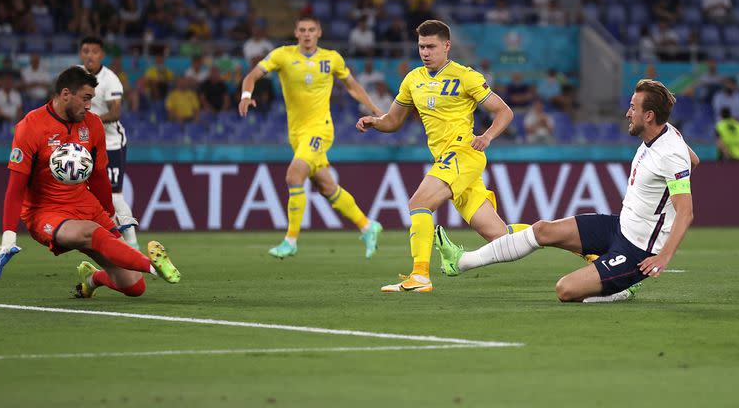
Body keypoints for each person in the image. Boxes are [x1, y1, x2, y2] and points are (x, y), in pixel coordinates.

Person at [435, 79, 699, 303]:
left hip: (638, 250)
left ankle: (622, 289)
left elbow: (685, 212)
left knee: (566, 290)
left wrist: (663, 256)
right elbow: (693, 161)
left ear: (649, 115)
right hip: (620, 226)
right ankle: (461, 261)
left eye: (633, 108)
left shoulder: (670, 154)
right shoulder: (670, 137)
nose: (628, 113)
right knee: (542, 230)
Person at [356, 20, 523, 293]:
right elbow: (393, 120)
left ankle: (420, 275)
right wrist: (376, 121)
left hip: (464, 152)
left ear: (446, 46)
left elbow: (504, 111)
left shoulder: (464, 76)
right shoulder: (413, 79)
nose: (425, 52)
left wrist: (487, 136)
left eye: (431, 46)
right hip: (445, 159)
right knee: (498, 235)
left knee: (419, 202)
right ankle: (579, 244)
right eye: (421, 46)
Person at [0, 66, 181, 299]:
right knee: (92, 232)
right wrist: (8, 238)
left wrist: (109, 213)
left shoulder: (93, 124)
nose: (89, 106)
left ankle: (92, 278)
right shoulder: (30, 126)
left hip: (84, 204)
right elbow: (15, 187)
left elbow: (99, 176)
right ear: (66, 94)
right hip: (46, 212)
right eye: (86, 98)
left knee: (134, 286)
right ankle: (153, 266)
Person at [239, 16, 385, 259]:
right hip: (296, 134)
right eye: (302, 30)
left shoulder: (332, 58)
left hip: (321, 129)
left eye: (312, 30)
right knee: (326, 187)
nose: (307, 34)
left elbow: (352, 86)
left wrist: (374, 108)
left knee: (293, 175)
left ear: (319, 33)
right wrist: (246, 95)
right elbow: (252, 75)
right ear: (296, 33)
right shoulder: (282, 55)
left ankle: (290, 241)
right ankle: (368, 226)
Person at [80, 37, 139, 250]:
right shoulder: (75, 76)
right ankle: (106, 244)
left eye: (94, 52)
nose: (90, 56)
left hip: (111, 142)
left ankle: (133, 245)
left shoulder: (110, 79)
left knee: (114, 195)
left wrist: (88, 120)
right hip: (85, 144)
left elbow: (115, 112)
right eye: (86, 51)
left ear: (101, 55)